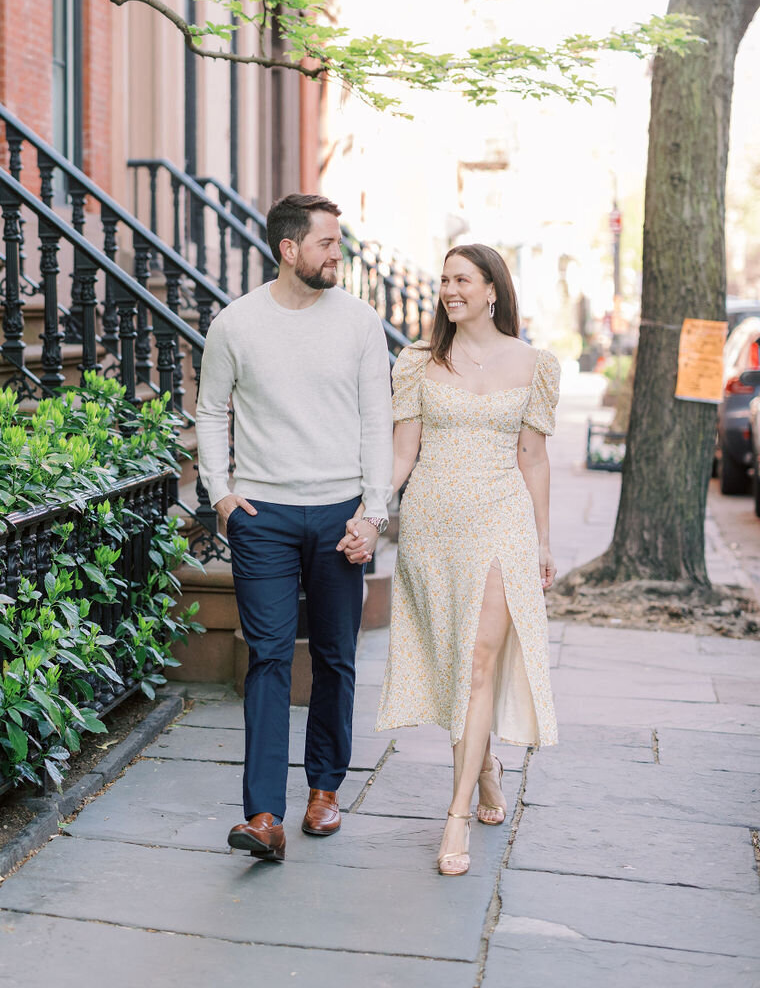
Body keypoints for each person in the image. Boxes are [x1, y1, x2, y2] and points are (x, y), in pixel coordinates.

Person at [196, 193, 393, 862]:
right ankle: (262, 813)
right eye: (327, 242)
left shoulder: (362, 324)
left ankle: (325, 789)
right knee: (270, 656)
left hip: (342, 515)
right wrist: (221, 495)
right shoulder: (236, 324)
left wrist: (374, 511)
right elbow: (209, 413)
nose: (337, 252)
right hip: (264, 518)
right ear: (289, 249)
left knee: (336, 656)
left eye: (338, 241)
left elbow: (377, 421)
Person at [376, 244, 559, 877]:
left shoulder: (535, 364)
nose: (450, 290)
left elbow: (532, 457)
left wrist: (540, 539)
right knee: (455, 660)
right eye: (445, 280)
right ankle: (484, 769)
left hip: (501, 521)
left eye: (463, 280)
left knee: (478, 664)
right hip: (432, 525)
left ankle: (453, 817)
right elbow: (403, 452)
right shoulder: (419, 362)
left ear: (491, 290)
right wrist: (373, 511)